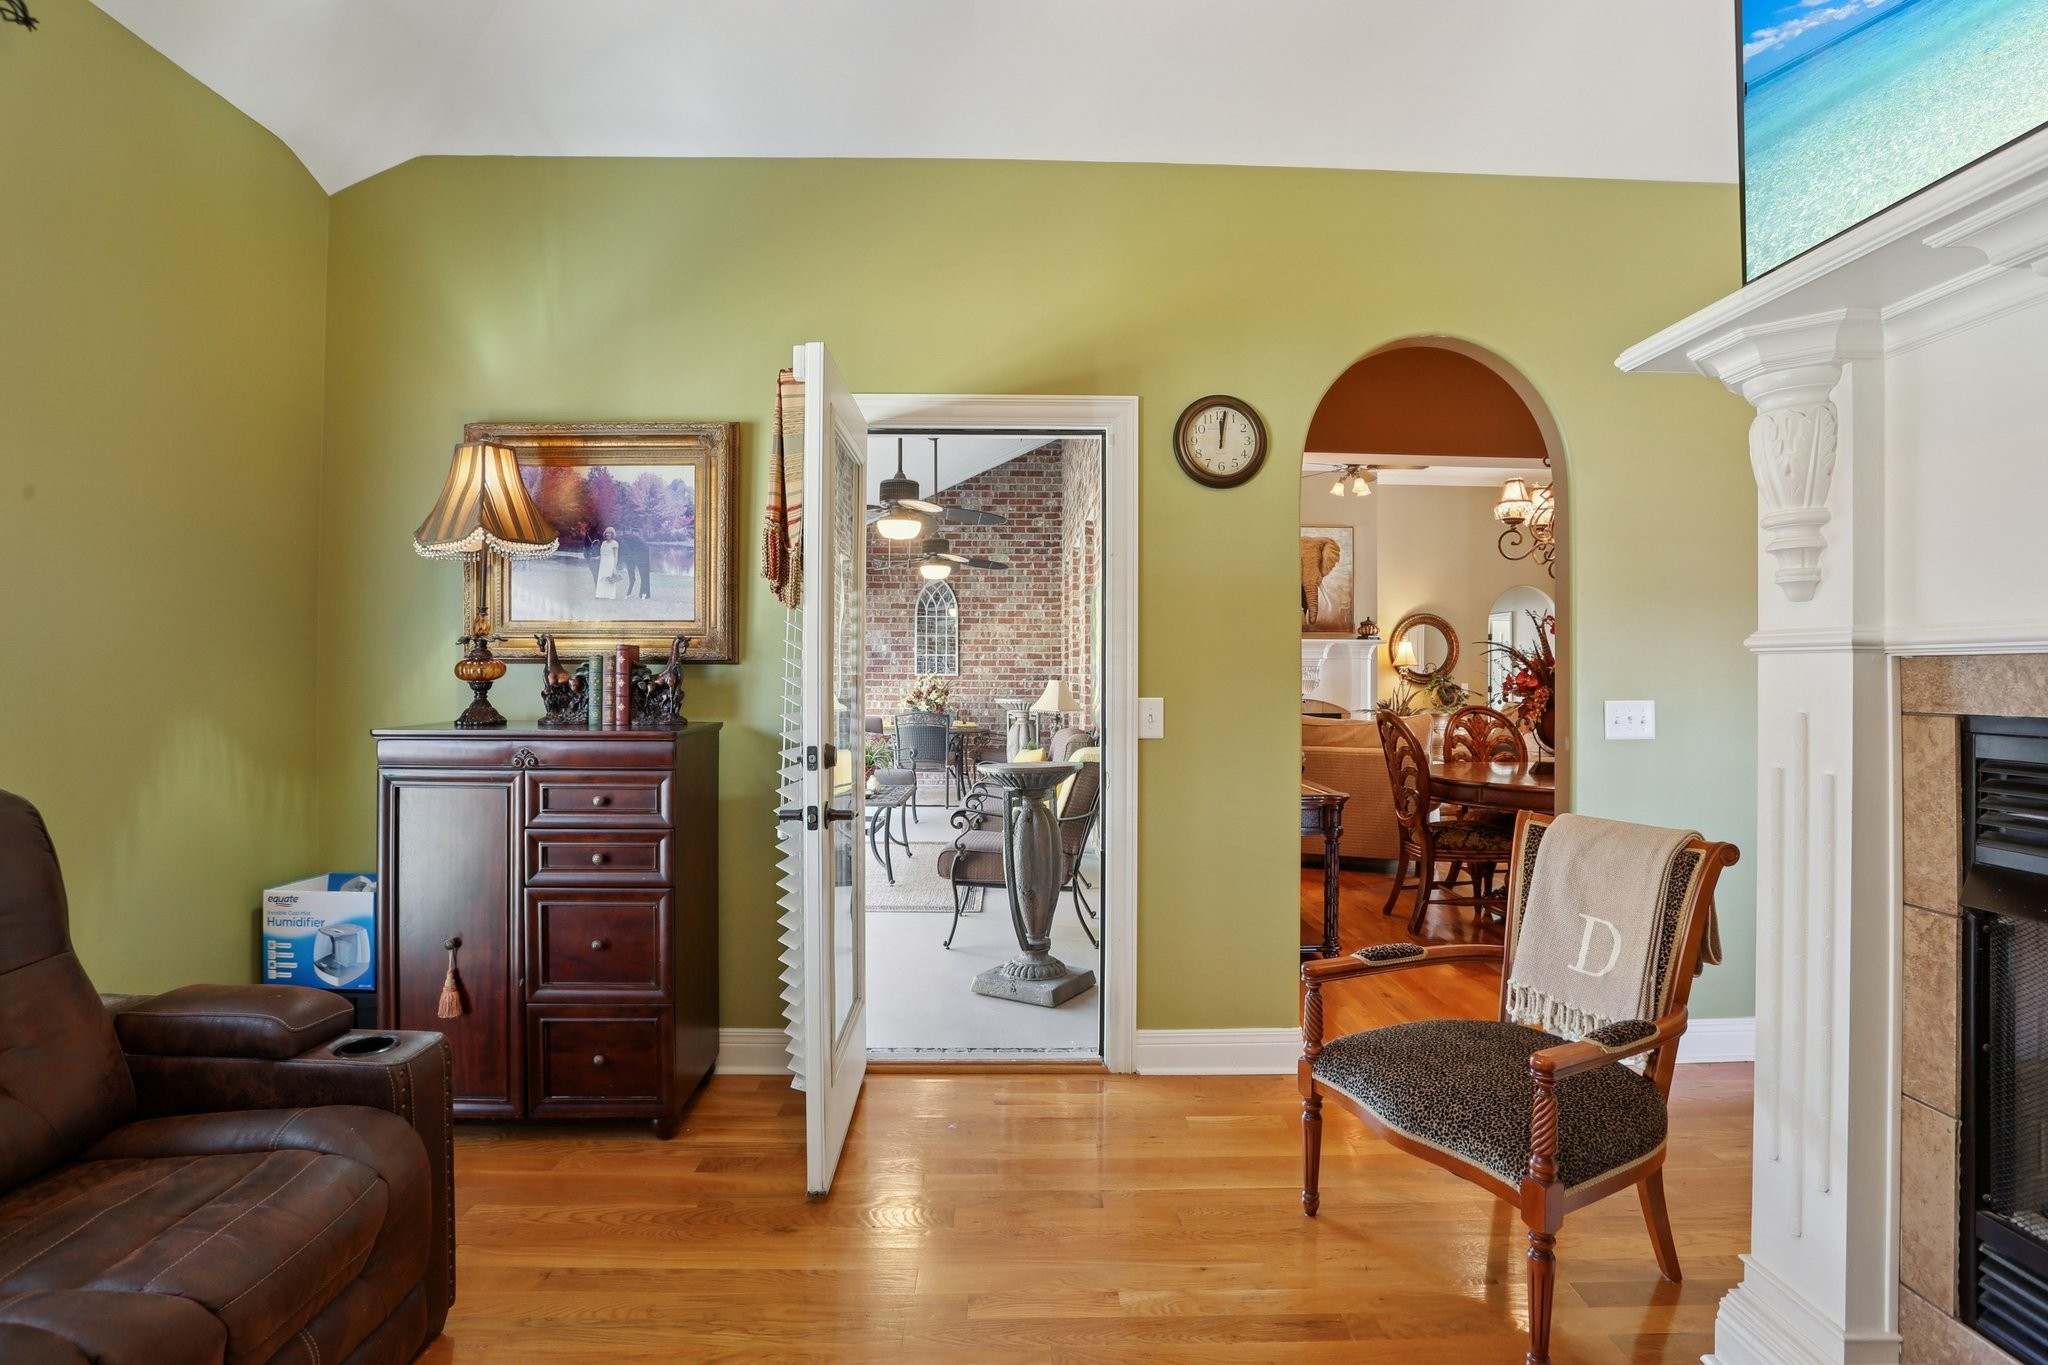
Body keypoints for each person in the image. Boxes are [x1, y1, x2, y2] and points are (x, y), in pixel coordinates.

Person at [618, 531, 653, 599]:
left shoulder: (636, 544)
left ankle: (644, 593)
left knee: (643, 573)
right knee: (640, 574)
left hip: (639, 550)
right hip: (632, 551)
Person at [594, 527, 624, 600]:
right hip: (602, 564)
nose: (608, 534)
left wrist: (614, 567)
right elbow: (602, 555)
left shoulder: (615, 543)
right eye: (607, 533)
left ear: (612, 534)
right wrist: (595, 558)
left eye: (609, 533)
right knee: (601, 578)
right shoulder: (603, 543)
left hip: (610, 563)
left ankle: (609, 596)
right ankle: (600, 594)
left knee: (609, 579)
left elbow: (615, 557)